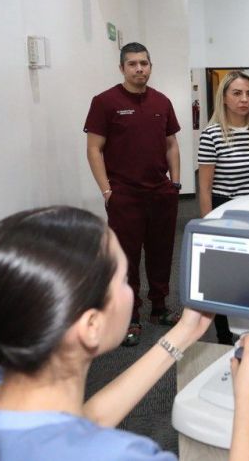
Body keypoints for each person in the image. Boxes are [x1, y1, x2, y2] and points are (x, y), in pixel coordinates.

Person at [0, 207, 249, 461]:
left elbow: (79, 424)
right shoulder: (123, 455)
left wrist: (182, 335)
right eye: (124, 280)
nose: (132, 289)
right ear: (91, 326)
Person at [84, 42, 182, 346]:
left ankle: (160, 307)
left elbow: (171, 145)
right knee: (125, 259)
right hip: (125, 196)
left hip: (160, 194)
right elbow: (94, 149)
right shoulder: (105, 102)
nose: (139, 69)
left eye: (144, 63)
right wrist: (107, 191)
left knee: (161, 253)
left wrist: (175, 183)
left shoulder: (162, 102)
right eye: (132, 64)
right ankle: (130, 317)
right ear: (122, 68)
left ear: (151, 66)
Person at [198, 70, 249, 344]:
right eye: (237, 93)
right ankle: (225, 336)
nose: (244, 99)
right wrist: (207, 226)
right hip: (225, 211)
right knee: (227, 280)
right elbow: (204, 186)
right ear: (224, 98)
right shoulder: (212, 135)